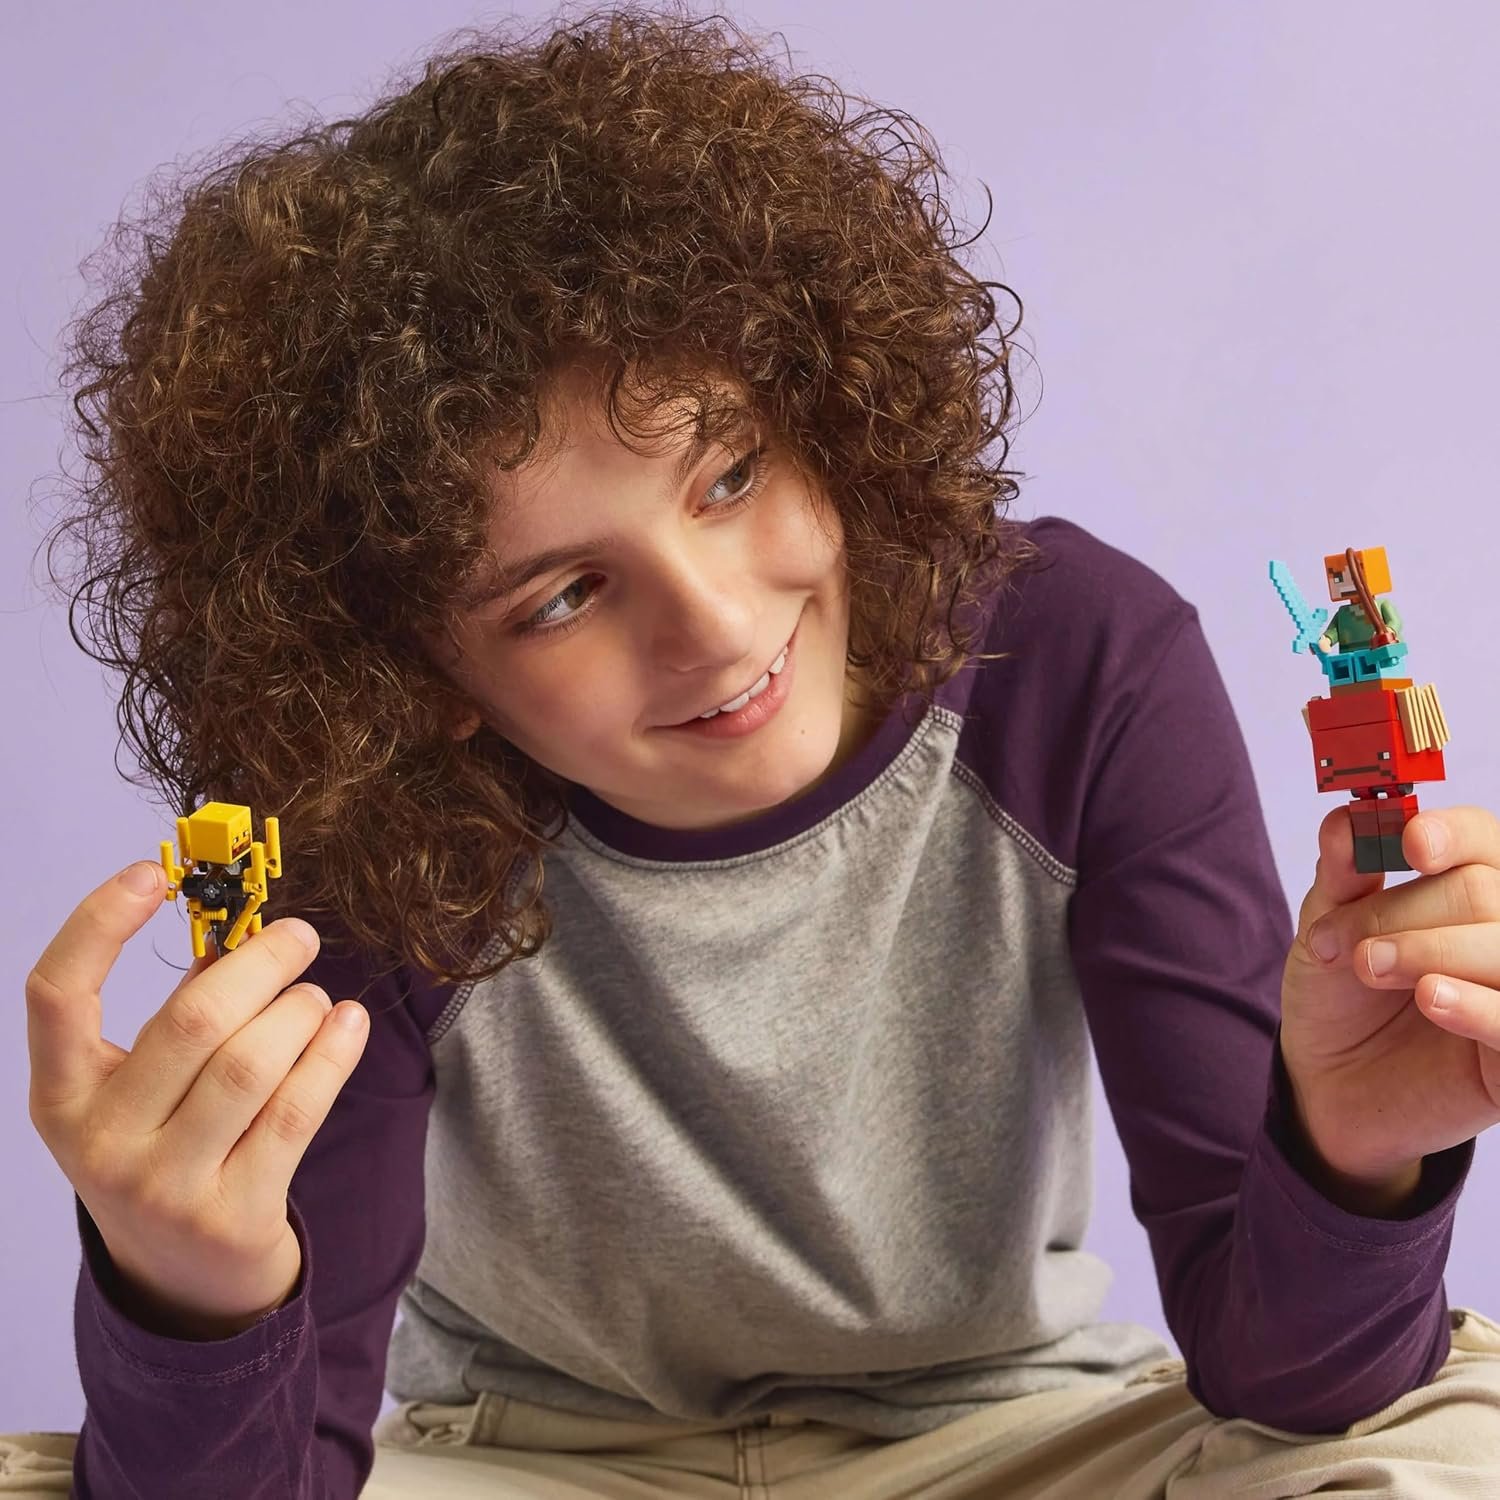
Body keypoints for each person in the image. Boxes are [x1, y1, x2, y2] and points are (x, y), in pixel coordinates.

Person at [10, 6, 1500, 1497]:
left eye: (729, 475)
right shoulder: (377, 827)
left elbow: (1291, 1387)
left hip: (1018, 1443)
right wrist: (190, 1297)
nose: (718, 628)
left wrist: (1351, 1154)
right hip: (531, 1467)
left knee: (1442, 1452)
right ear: (418, 673)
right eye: (564, 596)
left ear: (822, 408)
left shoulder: (1080, 658)